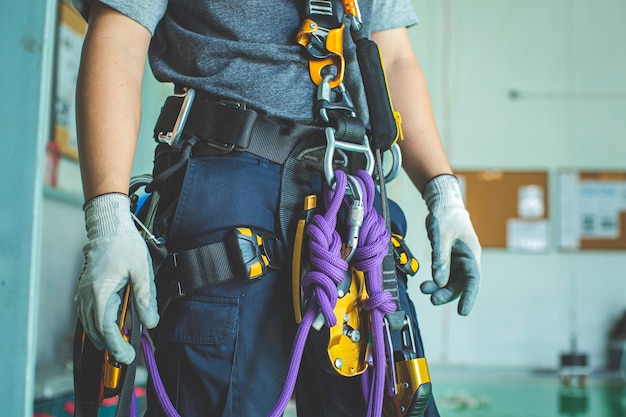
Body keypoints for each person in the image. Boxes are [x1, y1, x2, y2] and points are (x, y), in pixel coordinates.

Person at [72, 0, 482, 416]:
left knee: (381, 398)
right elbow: (119, 37)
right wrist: (107, 220)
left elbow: (393, 56)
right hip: (231, 182)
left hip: (349, 198)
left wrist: (443, 193)